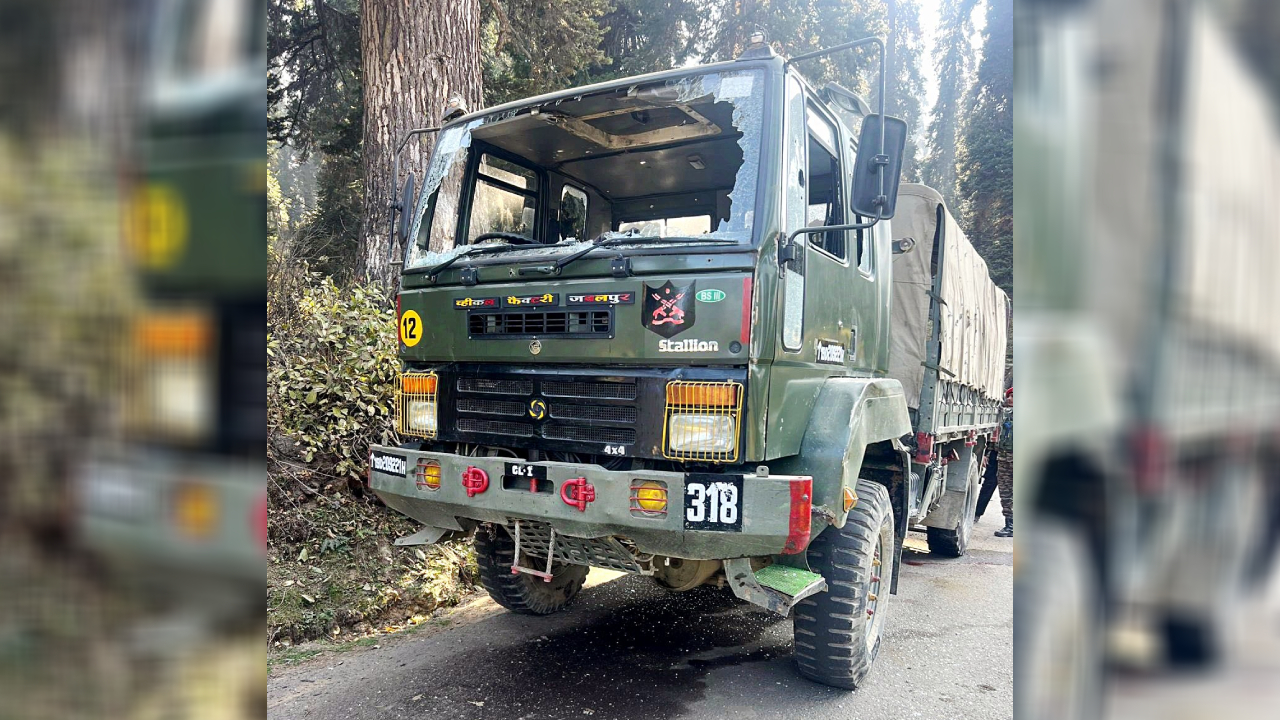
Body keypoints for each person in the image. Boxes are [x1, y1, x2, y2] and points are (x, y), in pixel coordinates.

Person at [976, 388, 1013, 537]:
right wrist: (986, 453)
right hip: (1002, 457)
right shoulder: (1002, 415)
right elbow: (993, 438)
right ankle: (1010, 524)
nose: (1010, 399)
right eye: (1009, 396)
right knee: (1005, 492)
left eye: (1014, 397)